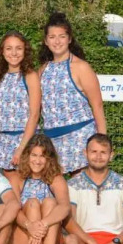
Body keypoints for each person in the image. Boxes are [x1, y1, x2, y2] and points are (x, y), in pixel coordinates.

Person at [39, 12, 106, 174]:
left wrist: (102, 143)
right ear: (46, 41)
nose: (57, 41)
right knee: (54, 187)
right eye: (52, 37)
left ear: (69, 39)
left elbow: (97, 106)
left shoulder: (82, 67)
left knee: (82, 186)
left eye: (62, 36)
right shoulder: (42, 70)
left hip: (80, 137)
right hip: (52, 140)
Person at [5, 135, 70, 244]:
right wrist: (30, 226)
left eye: (42, 156)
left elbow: (65, 207)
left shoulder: (56, 179)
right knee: (32, 203)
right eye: (34, 155)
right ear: (27, 156)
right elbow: (13, 209)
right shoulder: (16, 178)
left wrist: (42, 224)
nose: (37, 161)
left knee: (50, 202)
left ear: (49, 159)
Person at [0, 31, 41, 191]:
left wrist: (21, 147)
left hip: (23, 138)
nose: (14, 53)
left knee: (25, 187)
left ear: (25, 50)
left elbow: (34, 114)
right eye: (9, 48)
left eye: (18, 48)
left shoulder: (30, 76)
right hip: (3, 139)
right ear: (2, 51)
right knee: (10, 188)